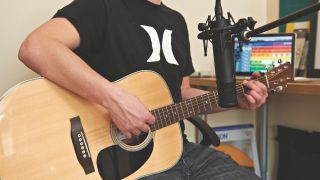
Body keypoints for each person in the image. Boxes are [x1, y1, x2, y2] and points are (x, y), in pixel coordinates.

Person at [18, 0, 267, 179]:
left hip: (178, 149)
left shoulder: (176, 21)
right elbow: (36, 47)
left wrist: (233, 99)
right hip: (120, 162)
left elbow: (181, 94)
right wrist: (114, 100)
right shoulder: (101, 6)